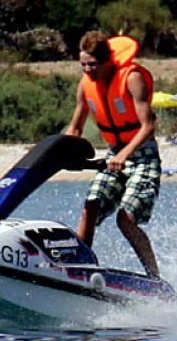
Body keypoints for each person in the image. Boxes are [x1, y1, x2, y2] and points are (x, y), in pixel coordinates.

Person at [66, 31, 161, 278]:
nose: (87, 70)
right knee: (91, 208)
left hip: (143, 156)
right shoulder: (86, 85)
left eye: (93, 64)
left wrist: (125, 154)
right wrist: (64, 150)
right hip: (114, 155)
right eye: (83, 64)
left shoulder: (132, 78)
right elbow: (75, 127)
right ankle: (80, 266)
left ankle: (154, 277)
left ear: (107, 60)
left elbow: (148, 125)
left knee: (125, 219)